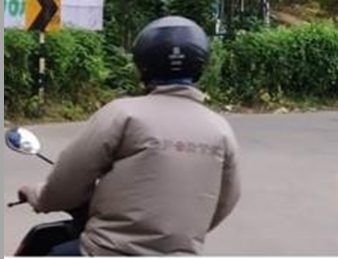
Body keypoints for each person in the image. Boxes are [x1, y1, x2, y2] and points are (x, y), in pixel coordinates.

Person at [19, 16, 242, 256]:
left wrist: (40, 196)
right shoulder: (220, 130)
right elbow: (226, 200)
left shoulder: (122, 114)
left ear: (142, 64)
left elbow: (68, 182)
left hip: (106, 250)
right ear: (200, 64)